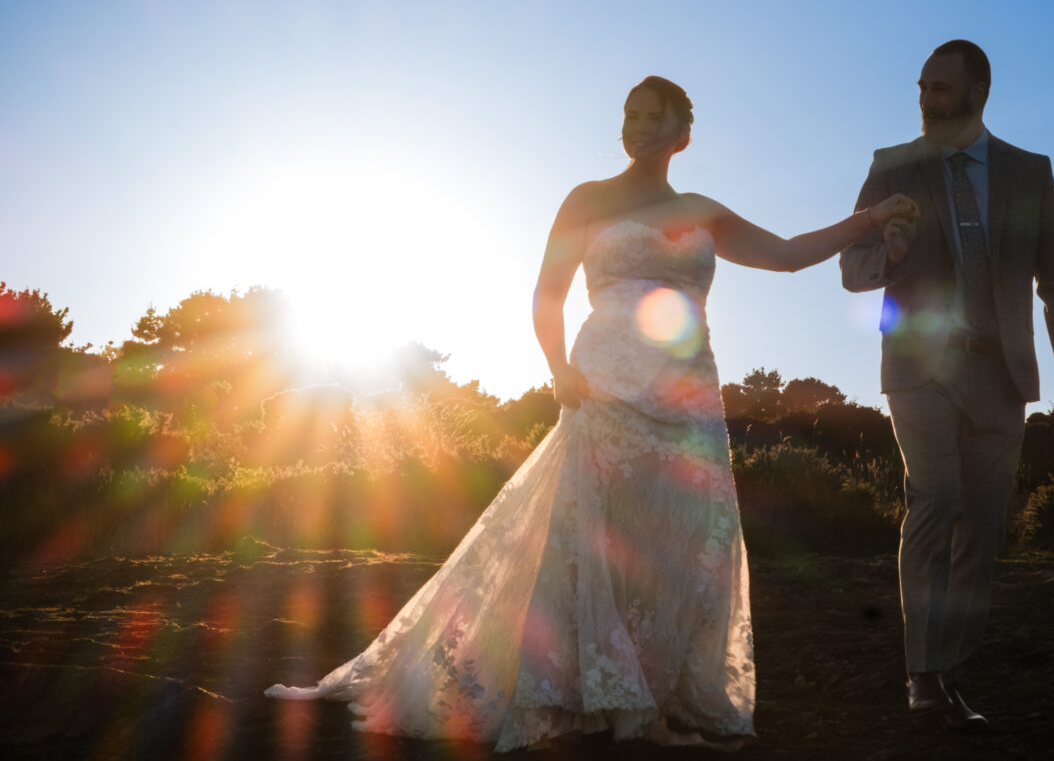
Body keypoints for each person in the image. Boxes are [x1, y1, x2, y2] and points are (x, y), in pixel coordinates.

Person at [267, 76, 919, 752]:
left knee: (679, 540)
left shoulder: (700, 207)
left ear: (681, 134)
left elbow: (784, 256)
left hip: (687, 392)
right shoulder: (587, 199)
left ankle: (652, 692)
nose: (635, 127)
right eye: (628, 115)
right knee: (600, 533)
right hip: (606, 382)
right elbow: (547, 296)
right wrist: (558, 368)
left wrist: (869, 221)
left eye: (651, 117)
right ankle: (586, 690)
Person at [840, 40, 1054, 730]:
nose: (926, 99)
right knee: (936, 500)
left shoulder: (1029, 173)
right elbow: (851, 268)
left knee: (981, 526)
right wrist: (886, 254)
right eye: (922, 87)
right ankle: (921, 675)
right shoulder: (892, 167)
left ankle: (951, 673)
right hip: (921, 371)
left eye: (941, 89)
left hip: (1002, 373)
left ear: (978, 92)